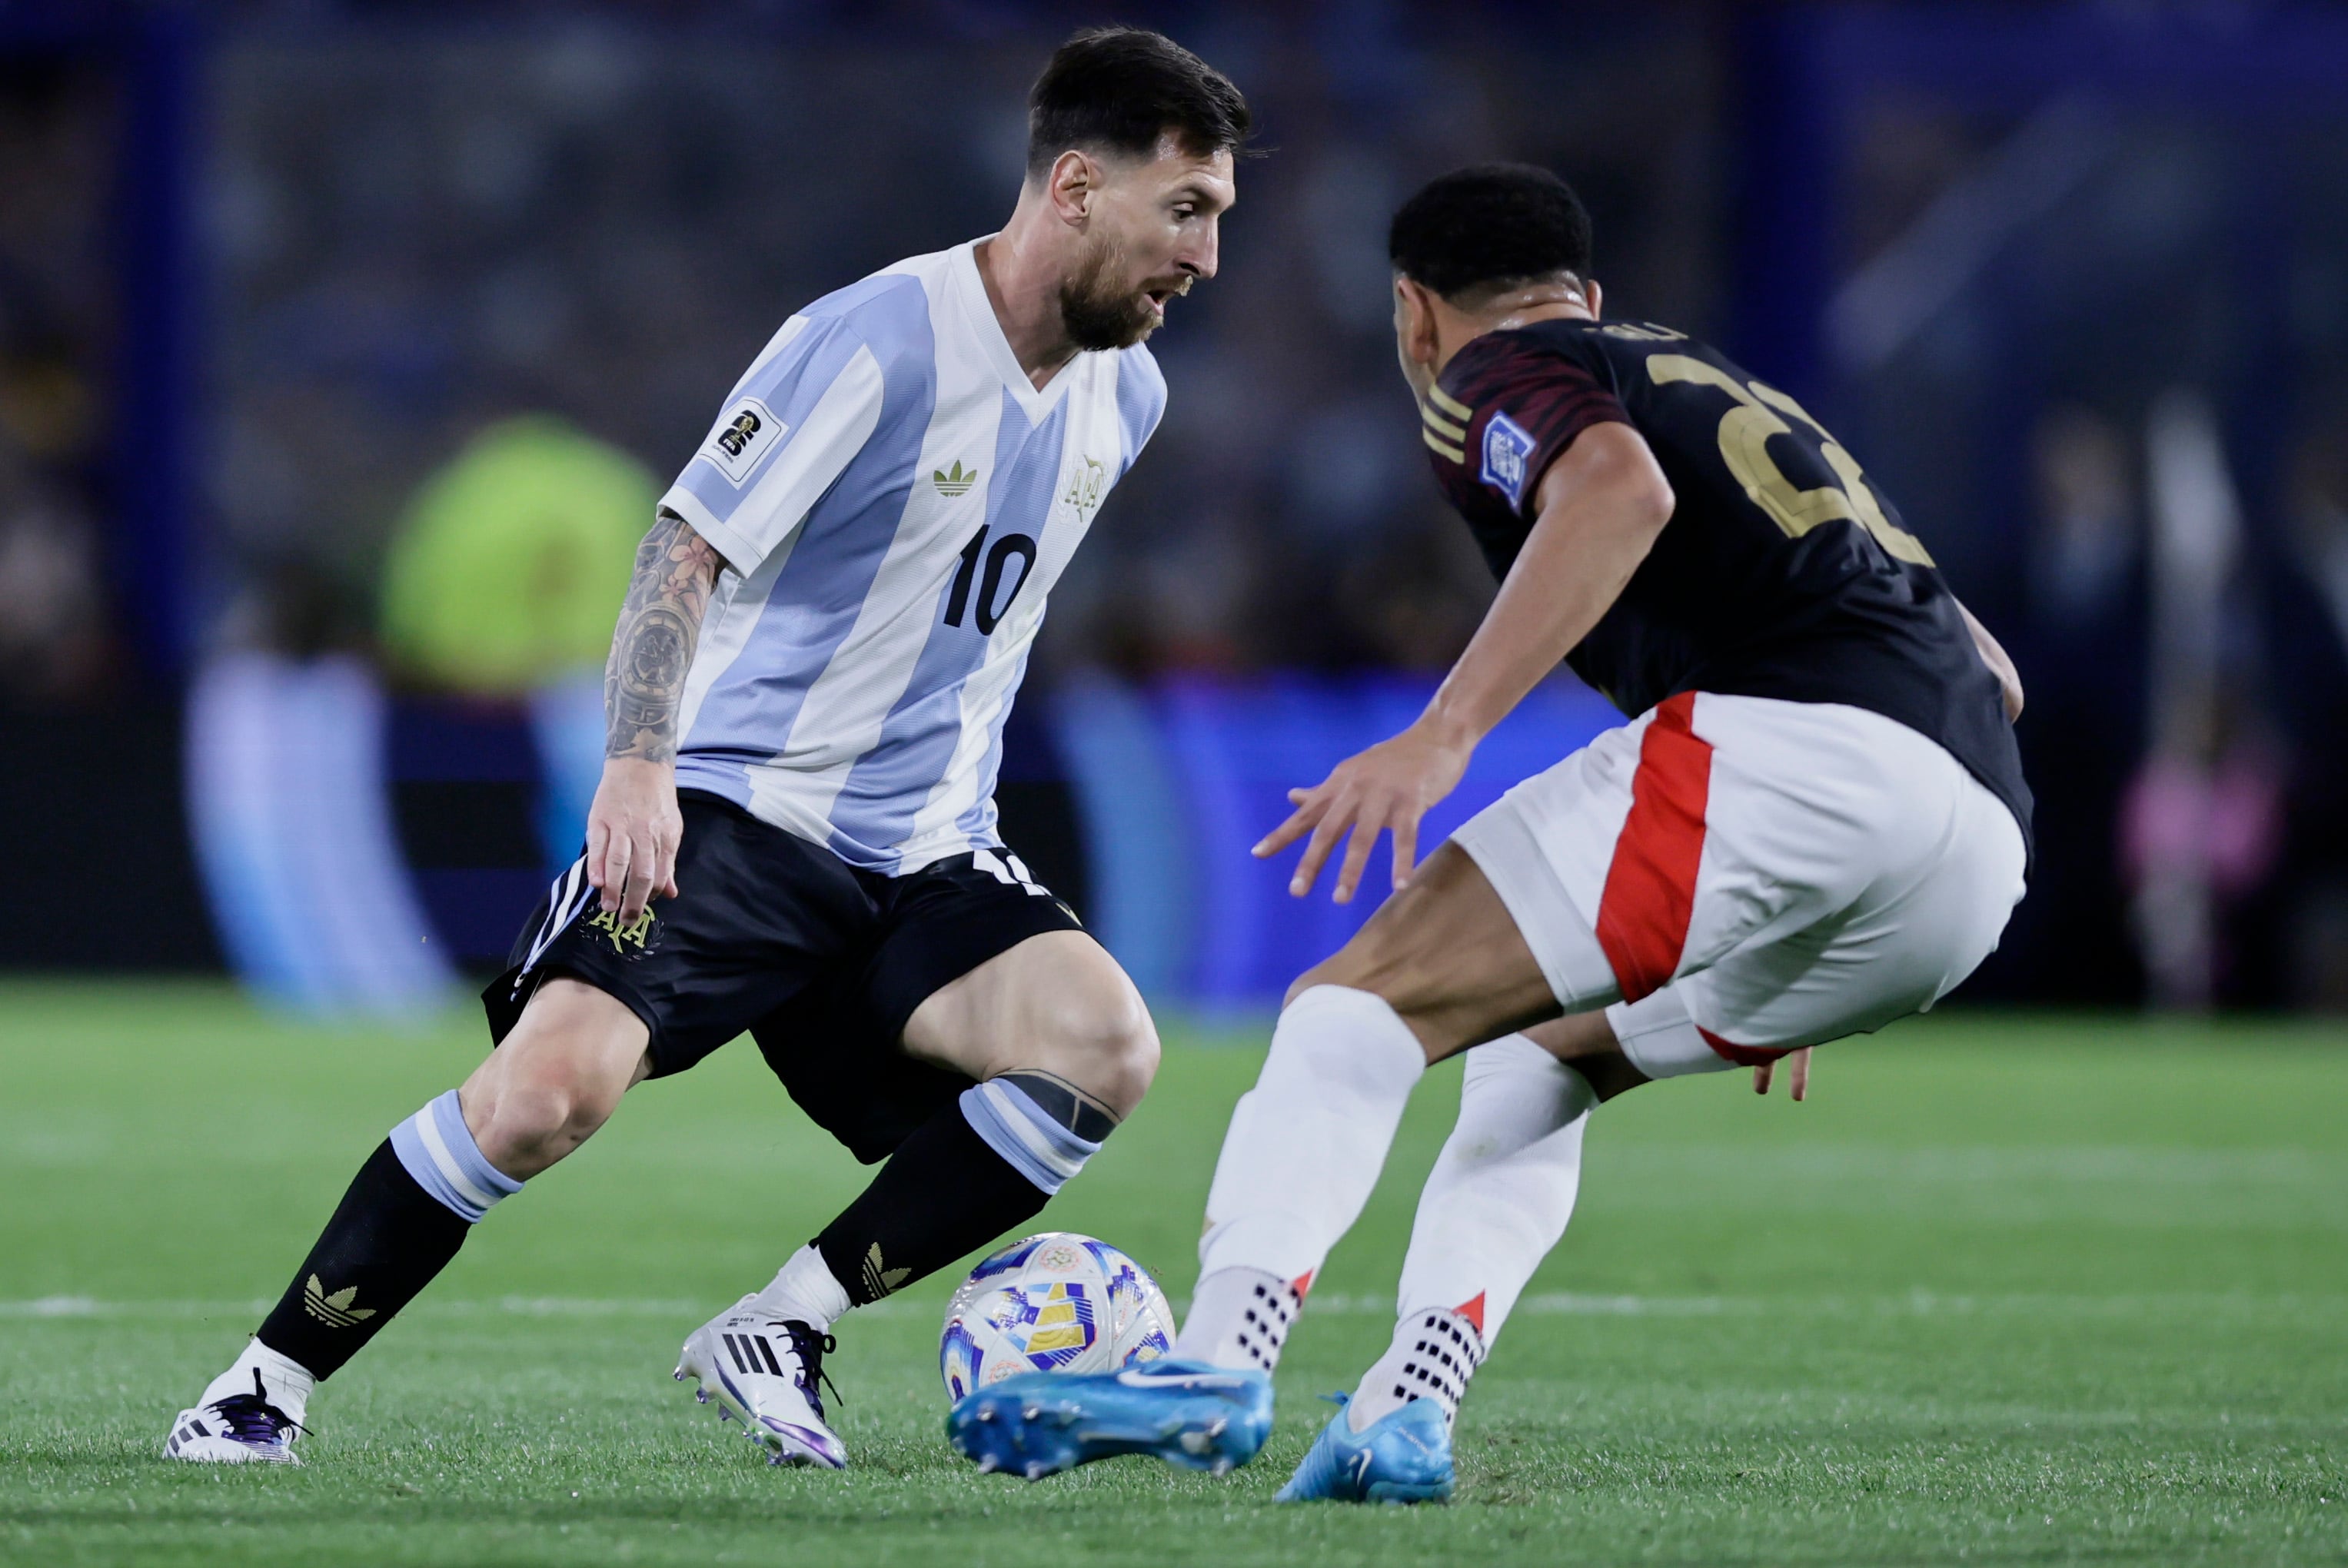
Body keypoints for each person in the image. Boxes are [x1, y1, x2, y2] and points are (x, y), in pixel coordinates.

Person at [164, 26, 1246, 1470]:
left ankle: (781, 1326)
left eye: (1219, 220)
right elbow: (687, 549)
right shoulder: (873, 338)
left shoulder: (1131, 394)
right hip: (735, 813)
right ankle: (258, 1388)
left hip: (925, 849)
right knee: (549, 1100)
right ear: (1072, 186)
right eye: (1186, 212)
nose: (1207, 259)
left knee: (1105, 1044)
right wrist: (635, 767)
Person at [949, 164, 2030, 1501]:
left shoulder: (1495, 370)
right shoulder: (1718, 382)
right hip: (1970, 857)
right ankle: (1405, 1413)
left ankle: (1216, 1361)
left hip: (1800, 760)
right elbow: (1987, 666)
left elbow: (1616, 495)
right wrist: (1797, 899)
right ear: (1592, 292)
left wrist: (1442, 732)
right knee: (1539, 1059)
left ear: (1414, 314)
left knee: (1349, 1008)